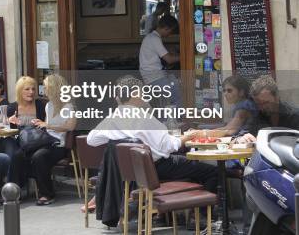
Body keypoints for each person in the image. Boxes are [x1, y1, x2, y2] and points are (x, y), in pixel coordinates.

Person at [86, 75, 218, 194]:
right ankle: (202, 213)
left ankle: (169, 213)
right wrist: (189, 136)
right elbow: (169, 146)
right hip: (154, 169)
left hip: (129, 172)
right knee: (212, 172)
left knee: (190, 167)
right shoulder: (144, 118)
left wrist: (118, 139)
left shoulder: (113, 118)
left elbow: (91, 140)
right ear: (136, 94)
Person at [30, 74, 77, 205]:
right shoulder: (49, 105)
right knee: (23, 153)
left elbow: (70, 126)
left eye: (45, 87)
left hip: (59, 145)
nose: (43, 90)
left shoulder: (68, 106)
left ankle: (47, 194)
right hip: (47, 141)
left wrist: (48, 125)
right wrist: (41, 123)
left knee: (39, 157)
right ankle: (21, 189)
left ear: (53, 88)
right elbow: (46, 126)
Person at [6, 76, 47, 187]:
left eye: (33, 89)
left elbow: (46, 125)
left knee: (20, 155)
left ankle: (16, 188)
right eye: (27, 89)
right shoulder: (12, 107)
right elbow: (8, 130)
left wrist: (41, 123)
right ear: (20, 91)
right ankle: (14, 189)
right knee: (15, 155)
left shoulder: (40, 105)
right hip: (20, 141)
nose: (31, 92)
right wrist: (10, 122)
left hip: (37, 141)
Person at [139, 14, 181, 107]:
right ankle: (175, 120)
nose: (170, 34)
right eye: (170, 31)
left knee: (165, 102)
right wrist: (185, 57)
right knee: (178, 96)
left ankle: (170, 120)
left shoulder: (151, 37)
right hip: (154, 78)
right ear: (166, 28)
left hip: (152, 77)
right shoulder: (154, 38)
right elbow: (169, 59)